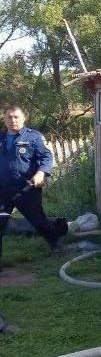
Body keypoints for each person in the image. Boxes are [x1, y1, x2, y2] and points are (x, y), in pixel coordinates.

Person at [0, 105, 68, 261]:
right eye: (9, 117)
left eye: (16, 117)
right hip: (3, 191)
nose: (13, 120)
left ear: (24, 118)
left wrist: (41, 173)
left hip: (27, 189)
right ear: (4, 119)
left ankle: (55, 245)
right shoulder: (1, 138)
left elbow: (46, 157)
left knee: (39, 222)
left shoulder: (34, 137)